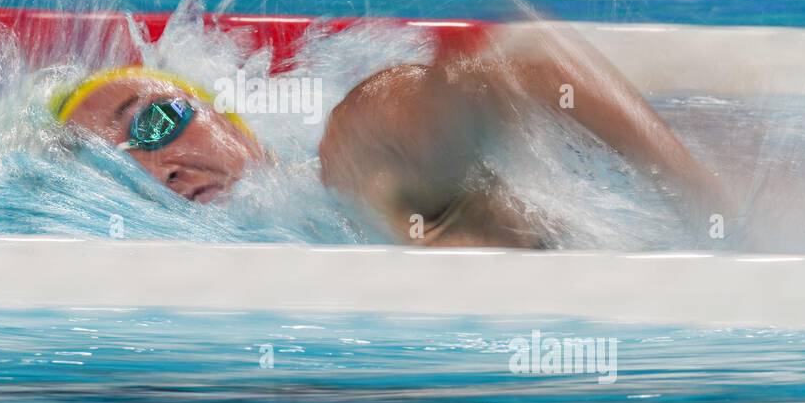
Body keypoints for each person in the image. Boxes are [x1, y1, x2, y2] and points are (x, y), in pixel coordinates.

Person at [49, 23, 728, 247]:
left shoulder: (336, 156)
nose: (157, 166)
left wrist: (714, 207)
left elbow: (536, 55)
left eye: (153, 121)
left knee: (362, 131)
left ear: (228, 117)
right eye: (114, 170)